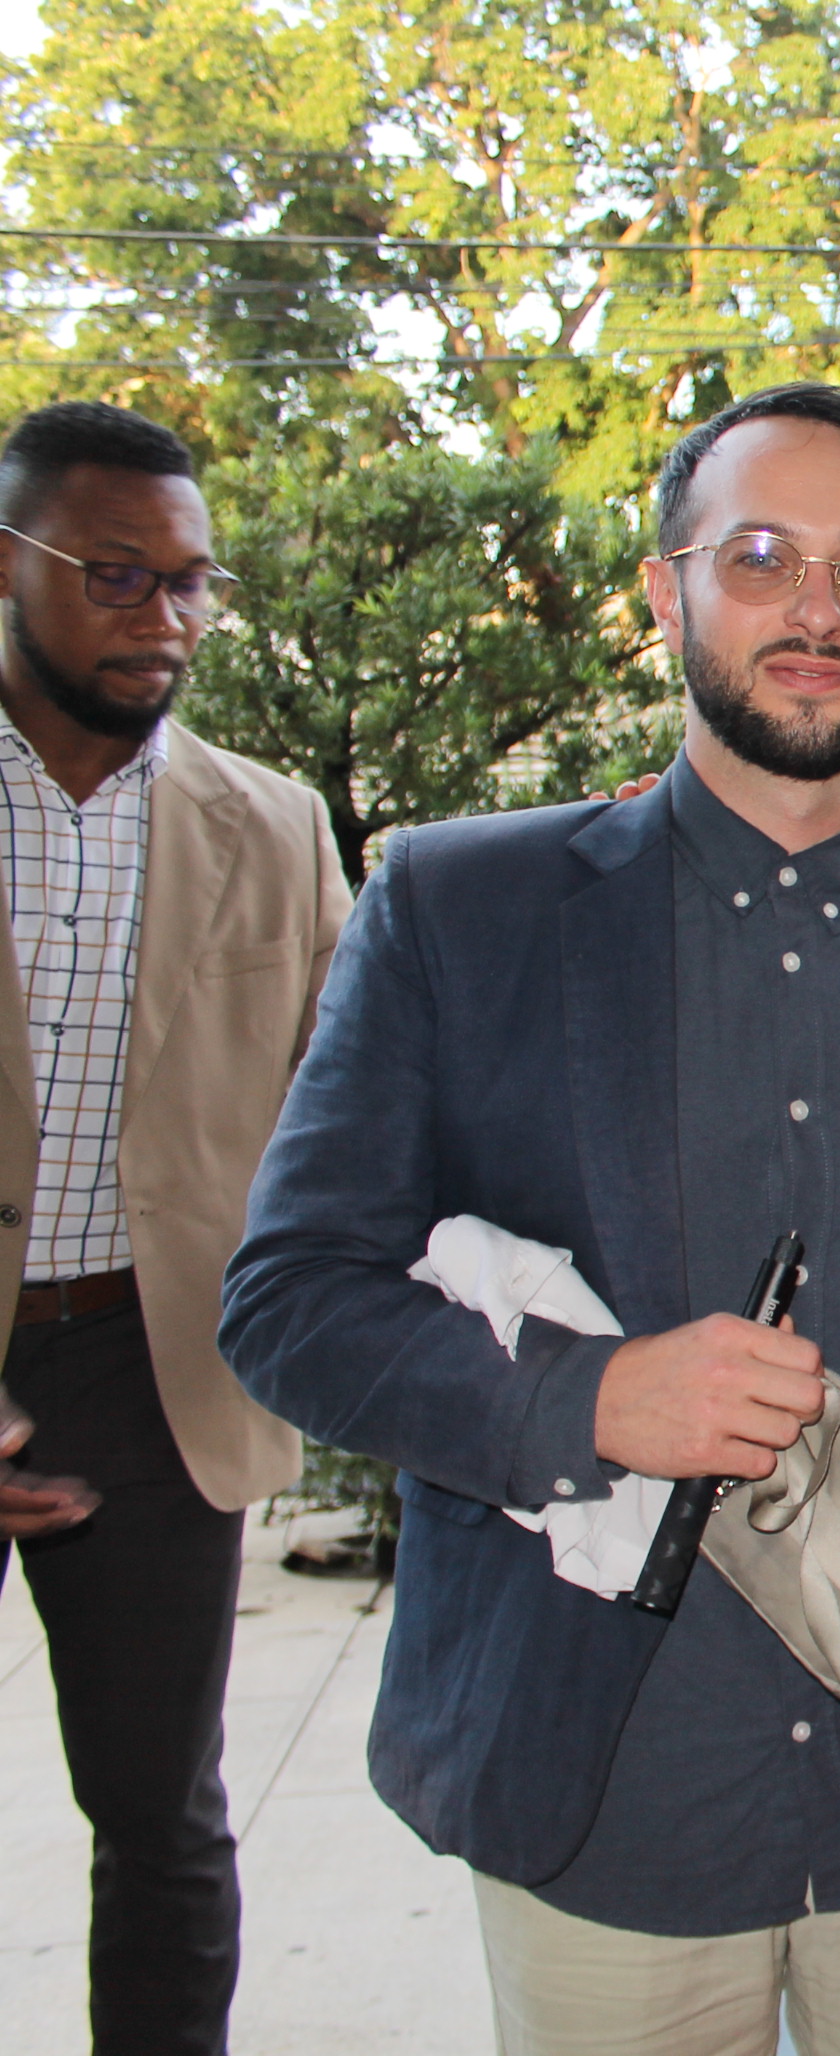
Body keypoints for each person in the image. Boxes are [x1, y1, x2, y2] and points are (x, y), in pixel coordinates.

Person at [218, 383, 840, 2056]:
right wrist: (586, 1402)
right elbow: (288, 1300)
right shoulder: (461, 907)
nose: (816, 608)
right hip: (603, 1788)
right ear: (664, 593)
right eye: (760, 555)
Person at [0, 399, 347, 2056]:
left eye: (194, 585)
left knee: (164, 1824)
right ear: (7, 561)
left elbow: (357, 1102)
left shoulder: (269, 828)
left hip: (150, 1384)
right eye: (116, 576)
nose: (168, 620)